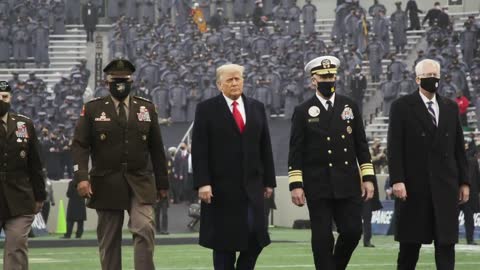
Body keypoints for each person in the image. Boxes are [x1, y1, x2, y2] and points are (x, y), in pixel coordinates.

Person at [72, 59, 169, 270]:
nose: (120, 83)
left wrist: (162, 183)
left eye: (124, 79)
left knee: (144, 228)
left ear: (131, 80)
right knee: (109, 239)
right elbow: (80, 146)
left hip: (140, 180)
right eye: (115, 80)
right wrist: (82, 177)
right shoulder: (92, 109)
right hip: (106, 181)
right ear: (107, 82)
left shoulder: (147, 108)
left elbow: (157, 149)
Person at [288, 56, 376, 270]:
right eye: (323, 77)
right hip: (318, 183)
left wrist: (368, 178)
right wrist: (296, 185)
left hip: (347, 181)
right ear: (313, 81)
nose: (328, 80)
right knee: (322, 238)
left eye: (331, 76)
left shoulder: (350, 106)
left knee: (353, 231)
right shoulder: (303, 110)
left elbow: (361, 145)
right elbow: (296, 150)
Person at [192, 64, 276, 270]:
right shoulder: (206, 109)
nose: (235, 83)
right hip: (221, 190)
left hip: (252, 187)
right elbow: (200, 149)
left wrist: (269, 181)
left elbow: (265, 145)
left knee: (256, 238)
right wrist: (203, 183)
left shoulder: (256, 107)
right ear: (219, 84)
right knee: (223, 245)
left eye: (238, 78)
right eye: (229, 80)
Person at [387, 59, 469, 270]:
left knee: (446, 246)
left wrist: (464, 182)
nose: (432, 79)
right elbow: (394, 148)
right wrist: (397, 180)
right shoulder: (401, 107)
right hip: (414, 188)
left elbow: (459, 149)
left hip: (445, 187)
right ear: (417, 79)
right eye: (427, 75)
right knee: (409, 248)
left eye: (435, 75)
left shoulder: (450, 108)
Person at [0, 81, 46, 269]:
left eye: (4, 97)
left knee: (16, 246)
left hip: (19, 196)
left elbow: (35, 164)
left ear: (11, 98)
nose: (1, 100)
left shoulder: (24, 124)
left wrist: (40, 195)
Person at [462, 140, 480, 245]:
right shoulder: (473, 162)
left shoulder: (458, 159)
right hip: (469, 193)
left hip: (459, 192)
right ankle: (470, 239)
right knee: (469, 218)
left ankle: (449, 237)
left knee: (454, 217)